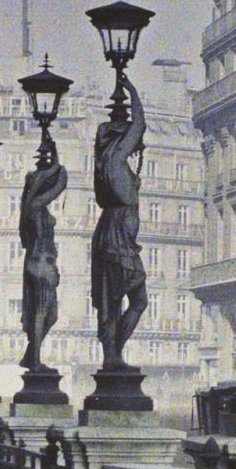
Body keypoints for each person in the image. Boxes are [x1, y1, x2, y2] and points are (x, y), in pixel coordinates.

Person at [91, 76, 147, 367]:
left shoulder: (105, 162)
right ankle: (113, 355)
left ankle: (113, 355)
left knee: (112, 301)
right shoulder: (116, 158)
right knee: (136, 300)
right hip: (119, 240)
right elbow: (139, 124)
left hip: (112, 234)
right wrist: (132, 89)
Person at [18, 138, 68, 373]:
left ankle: (31, 356)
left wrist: (53, 152)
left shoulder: (33, 207)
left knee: (51, 315)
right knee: (42, 312)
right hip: (41, 264)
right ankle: (35, 361)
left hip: (39, 263)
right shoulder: (36, 204)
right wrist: (57, 161)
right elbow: (61, 182)